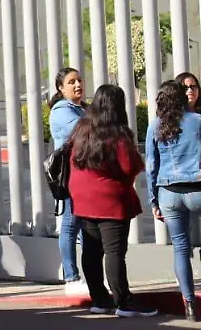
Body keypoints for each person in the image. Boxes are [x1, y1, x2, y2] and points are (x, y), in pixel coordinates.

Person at [67, 84, 155, 318]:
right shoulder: (118, 133)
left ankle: (100, 299)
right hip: (110, 201)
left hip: (83, 200)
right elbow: (130, 166)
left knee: (91, 251)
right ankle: (124, 302)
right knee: (115, 252)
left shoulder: (82, 128)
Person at [147, 80, 201, 320]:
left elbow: (151, 166)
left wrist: (153, 200)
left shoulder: (155, 126)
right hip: (198, 187)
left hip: (168, 191)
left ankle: (189, 304)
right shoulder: (198, 121)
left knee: (180, 248)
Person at [47, 67, 87, 294]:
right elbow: (83, 133)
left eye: (79, 80)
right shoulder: (62, 110)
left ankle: (80, 275)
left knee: (81, 226)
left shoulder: (82, 109)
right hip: (72, 176)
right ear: (61, 88)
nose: (78, 84)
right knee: (71, 224)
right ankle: (71, 277)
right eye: (71, 82)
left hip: (84, 176)